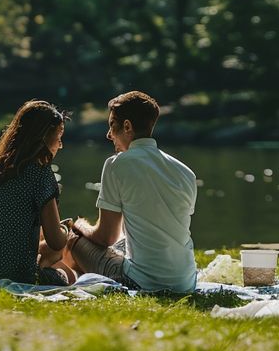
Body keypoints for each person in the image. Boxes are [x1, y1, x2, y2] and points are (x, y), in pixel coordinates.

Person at [63, 91, 197, 292]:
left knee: (71, 238)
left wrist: (82, 226)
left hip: (143, 282)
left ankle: (75, 282)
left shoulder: (116, 165)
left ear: (127, 126)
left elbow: (105, 237)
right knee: (121, 242)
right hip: (186, 282)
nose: (109, 135)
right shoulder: (185, 172)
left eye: (111, 126)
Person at [0, 100, 74, 286]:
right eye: (59, 137)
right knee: (68, 274)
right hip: (16, 276)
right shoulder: (40, 173)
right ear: (44, 138)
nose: (60, 145)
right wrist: (66, 229)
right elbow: (55, 241)